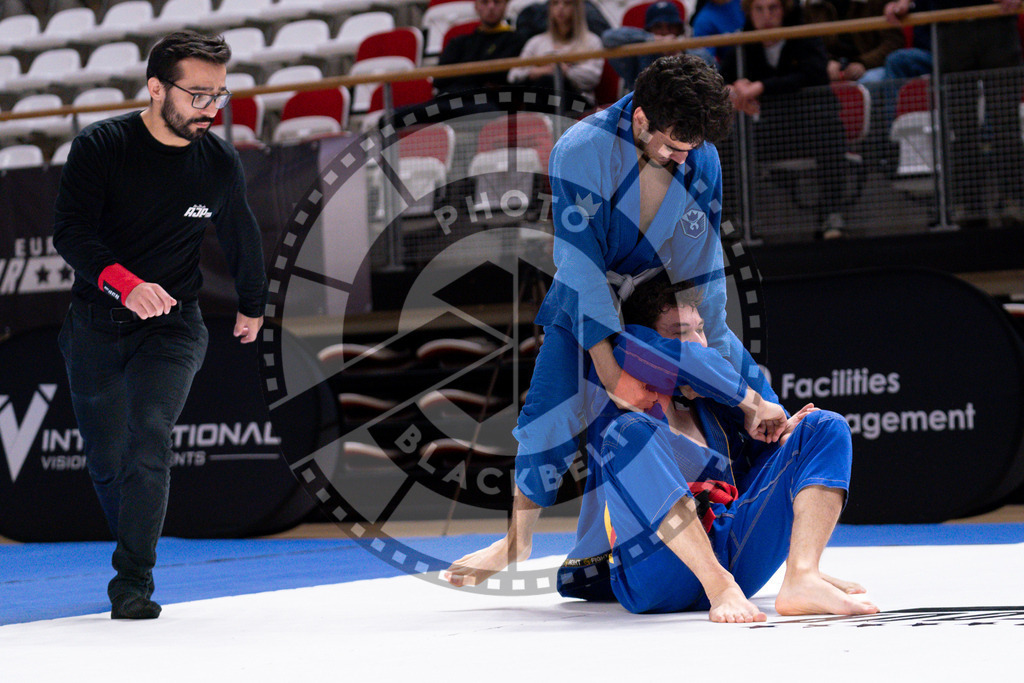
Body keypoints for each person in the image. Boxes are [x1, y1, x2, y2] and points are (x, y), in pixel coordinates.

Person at [443, 54, 781, 587]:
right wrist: (605, 363)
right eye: (670, 145)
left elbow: (704, 264)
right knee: (550, 410)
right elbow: (579, 264)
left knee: (728, 371)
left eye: (688, 149)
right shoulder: (581, 149)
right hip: (585, 290)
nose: (679, 158)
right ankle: (517, 540)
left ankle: (779, 488)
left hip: (653, 295)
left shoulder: (701, 157)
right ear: (641, 118)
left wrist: (710, 342)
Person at [52, 31, 267, 620]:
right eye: (199, 96)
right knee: (106, 459)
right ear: (155, 88)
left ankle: (132, 585)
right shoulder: (101, 147)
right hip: (94, 324)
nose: (212, 109)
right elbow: (70, 232)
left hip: (175, 325)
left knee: (149, 433)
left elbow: (241, 232)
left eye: (220, 95)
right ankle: (133, 539)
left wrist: (253, 303)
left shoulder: (217, 159)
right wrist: (125, 282)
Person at [556, 277, 878, 619]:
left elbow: (765, 483)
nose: (697, 343)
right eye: (679, 332)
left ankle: (803, 574)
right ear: (647, 342)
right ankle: (718, 585)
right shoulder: (612, 393)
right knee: (628, 432)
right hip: (659, 571)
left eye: (700, 329)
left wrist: (781, 433)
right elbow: (687, 358)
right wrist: (740, 394)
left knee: (825, 426)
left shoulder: (718, 407)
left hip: (736, 557)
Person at [718, 0, 851, 238]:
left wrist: (761, 87)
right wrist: (732, 89)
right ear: (750, 12)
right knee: (724, 141)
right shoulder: (742, 44)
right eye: (759, 9)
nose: (766, 16)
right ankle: (731, 220)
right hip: (765, 133)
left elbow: (813, 75)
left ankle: (832, 213)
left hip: (807, 127)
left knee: (830, 128)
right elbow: (721, 78)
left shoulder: (803, 36)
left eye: (773, 8)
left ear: (784, 10)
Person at [885, 0, 1024, 226]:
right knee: (960, 130)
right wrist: (907, 3)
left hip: (998, 26)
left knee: (1006, 125)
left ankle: (1014, 200)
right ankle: (968, 207)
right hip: (952, 29)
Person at [507, 0, 604, 105]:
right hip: (541, 99)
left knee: (547, 83)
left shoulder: (592, 41)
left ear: (577, 8)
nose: (560, 8)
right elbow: (513, 75)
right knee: (542, 86)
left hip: (578, 103)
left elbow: (592, 77)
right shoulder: (536, 42)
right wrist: (542, 71)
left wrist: (564, 71)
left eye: (567, 3)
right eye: (555, 3)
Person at [601, 1, 705, 92]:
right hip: (644, 110)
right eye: (658, 26)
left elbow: (711, 67)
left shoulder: (689, 50)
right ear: (649, 29)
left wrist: (682, 50)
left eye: (671, 26)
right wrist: (654, 39)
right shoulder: (637, 54)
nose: (665, 31)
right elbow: (608, 38)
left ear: (679, 29)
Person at [433, 0, 527, 96]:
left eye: (497, 2)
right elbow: (439, 80)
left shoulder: (515, 40)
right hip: (449, 98)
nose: (491, 7)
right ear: (476, 6)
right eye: (485, 2)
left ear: (506, 5)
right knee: (420, 110)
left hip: (486, 100)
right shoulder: (458, 42)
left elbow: (500, 78)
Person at [801, 0, 904, 84]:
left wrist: (863, 63)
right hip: (827, 69)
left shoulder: (876, 3)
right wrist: (826, 62)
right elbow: (807, 46)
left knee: (870, 81)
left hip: (871, 67)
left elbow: (893, 42)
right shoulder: (811, 5)